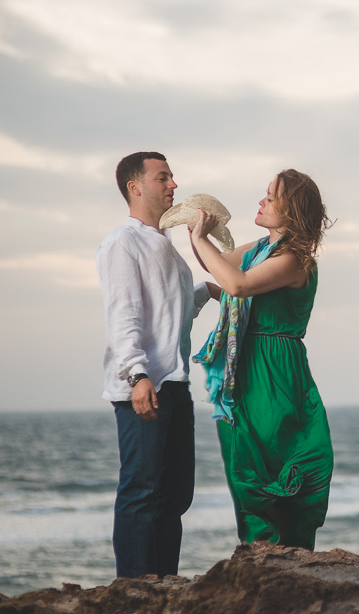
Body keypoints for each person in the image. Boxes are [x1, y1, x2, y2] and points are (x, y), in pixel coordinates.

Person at [189, 169, 334, 549]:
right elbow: (215, 264)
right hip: (244, 365)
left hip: (274, 368)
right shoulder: (257, 250)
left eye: (270, 198)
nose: (261, 201)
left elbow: (237, 285)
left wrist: (200, 237)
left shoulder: (294, 259)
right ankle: (259, 549)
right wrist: (197, 235)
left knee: (274, 452)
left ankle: (284, 550)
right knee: (243, 455)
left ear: (292, 211)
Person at [97, 151, 216, 578]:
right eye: (163, 177)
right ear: (136, 187)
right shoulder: (122, 243)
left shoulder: (163, 245)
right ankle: (132, 590)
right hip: (144, 385)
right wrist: (137, 374)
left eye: (171, 177)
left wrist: (208, 290)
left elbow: (172, 311)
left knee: (174, 495)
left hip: (175, 383)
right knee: (142, 493)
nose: (173, 185)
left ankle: (163, 584)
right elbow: (124, 314)